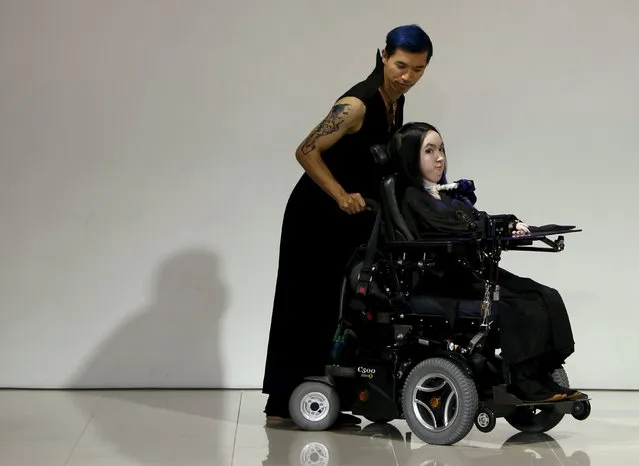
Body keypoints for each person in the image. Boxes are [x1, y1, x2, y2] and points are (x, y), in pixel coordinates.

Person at [262, 25, 434, 424]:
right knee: (307, 301)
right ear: (384, 56)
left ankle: (328, 395)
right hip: (317, 213)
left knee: (343, 306)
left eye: (419, 70)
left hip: (351, 217)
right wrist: (340, 193)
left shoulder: (396, 101)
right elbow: (305, 150)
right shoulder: (356, 104)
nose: (408, 76)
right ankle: (284, 401)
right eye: (401, 65)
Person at [389, 121, 586, 403]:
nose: (440, 157)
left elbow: (476, 220)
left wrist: (509, 226)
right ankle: (523, 380)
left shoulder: (448, 195)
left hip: (474, 272)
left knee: (545, 295)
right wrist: (497, 227)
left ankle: (541, 371)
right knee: (517, 307)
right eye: (429, 151)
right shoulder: (412, 197)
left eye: (441, 149)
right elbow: (449, 230)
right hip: (446, 279)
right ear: (410, 157)